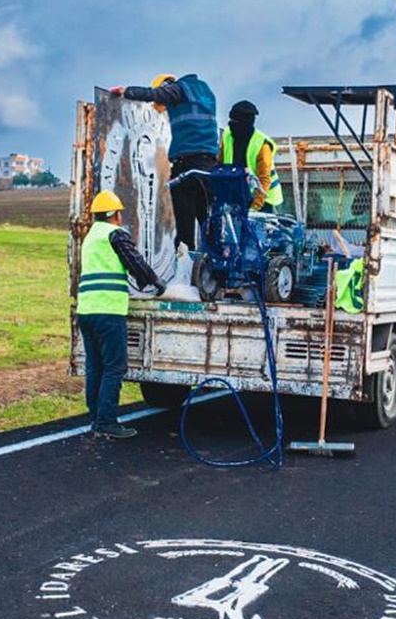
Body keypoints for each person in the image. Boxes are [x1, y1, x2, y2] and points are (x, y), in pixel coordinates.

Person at [77, 190, 165, 440]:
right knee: (115, 367)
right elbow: (134, 261)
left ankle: (96, 418)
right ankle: (106, 421)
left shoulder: (90, 237)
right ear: (115, 214)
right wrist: (156, 282)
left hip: (87, 311)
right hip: (108, 311)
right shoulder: (114, 234)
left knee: (95, 367)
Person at [109, 74, 218, 252]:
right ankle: (215, 271)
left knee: (185, 228)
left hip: (187, 165)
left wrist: (126, 92)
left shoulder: (179, 89)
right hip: (209, 167)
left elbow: (155, 95)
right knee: (208, 223)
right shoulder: (205, 92)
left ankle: (185, 271)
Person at [219, 100, 284, 213]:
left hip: (264, 199)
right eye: (231, 120)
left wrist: (255, 207)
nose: (231, 124)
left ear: (245, 123)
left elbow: (264, 179)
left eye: (235, 121)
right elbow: (220, 164)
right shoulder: (227, 136)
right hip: (236, 196)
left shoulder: (261, 144)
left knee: (257, 230)